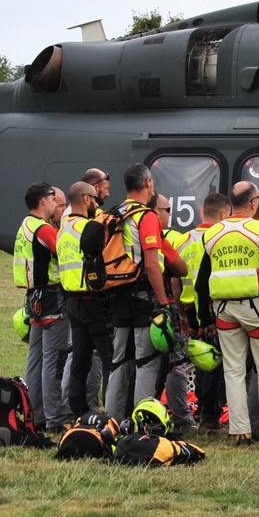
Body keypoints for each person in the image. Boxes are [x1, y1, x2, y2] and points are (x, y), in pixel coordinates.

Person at [195, 180, 259, 447]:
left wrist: (204, 320)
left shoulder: (212, 234)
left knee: (233, 371)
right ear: (254, 204)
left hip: (224, 310)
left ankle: (240, 432)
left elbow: (201, 279)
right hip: (257, 308)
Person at [104, 165, 185, 424]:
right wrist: (163, 302)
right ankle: (143, 420)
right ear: (148, 182)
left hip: (117, 295)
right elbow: (152, 264)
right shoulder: (146, 216)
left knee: (119, 362)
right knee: (147, 361)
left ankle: (113, 419)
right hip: (143, 298)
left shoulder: (114, 213)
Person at [14, 181, 69, 432]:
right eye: (52, 198)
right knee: (52, 359)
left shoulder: (25, 225)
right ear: (43, 201)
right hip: (52, 297)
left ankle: (34, 414)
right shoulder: (43, 229)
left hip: (34, 297)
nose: (56, 203)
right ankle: (54, 418)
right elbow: (66, 252)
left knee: (35, 358)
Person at [57, 181, 112, 421]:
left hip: (73, 302)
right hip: (94, 301)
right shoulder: (88, 228)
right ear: (86, 199)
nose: (98, 204)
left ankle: (76, 411)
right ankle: (112, 409)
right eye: (96, 200)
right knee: (111, 358)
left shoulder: (63, 227)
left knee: (80, 360)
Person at [182, 192, 230, 432]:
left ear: (202, 212)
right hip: (211, 310)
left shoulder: (182, 240)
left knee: (194, 364)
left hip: (187, 311)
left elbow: (171, 276)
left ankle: (197, 413)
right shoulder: (219, 239)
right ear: (223, 215)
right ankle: (210, 416)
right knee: (213, 365)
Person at [153, 194, 196, 432]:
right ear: (155, 211)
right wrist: (179, 311)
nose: (170, 213)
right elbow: (180, 269)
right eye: (167, 209)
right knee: (176, 364)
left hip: (133, 308)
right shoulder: (167, 237)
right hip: (164, 308)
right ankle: (183, 418)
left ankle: (143, 412)